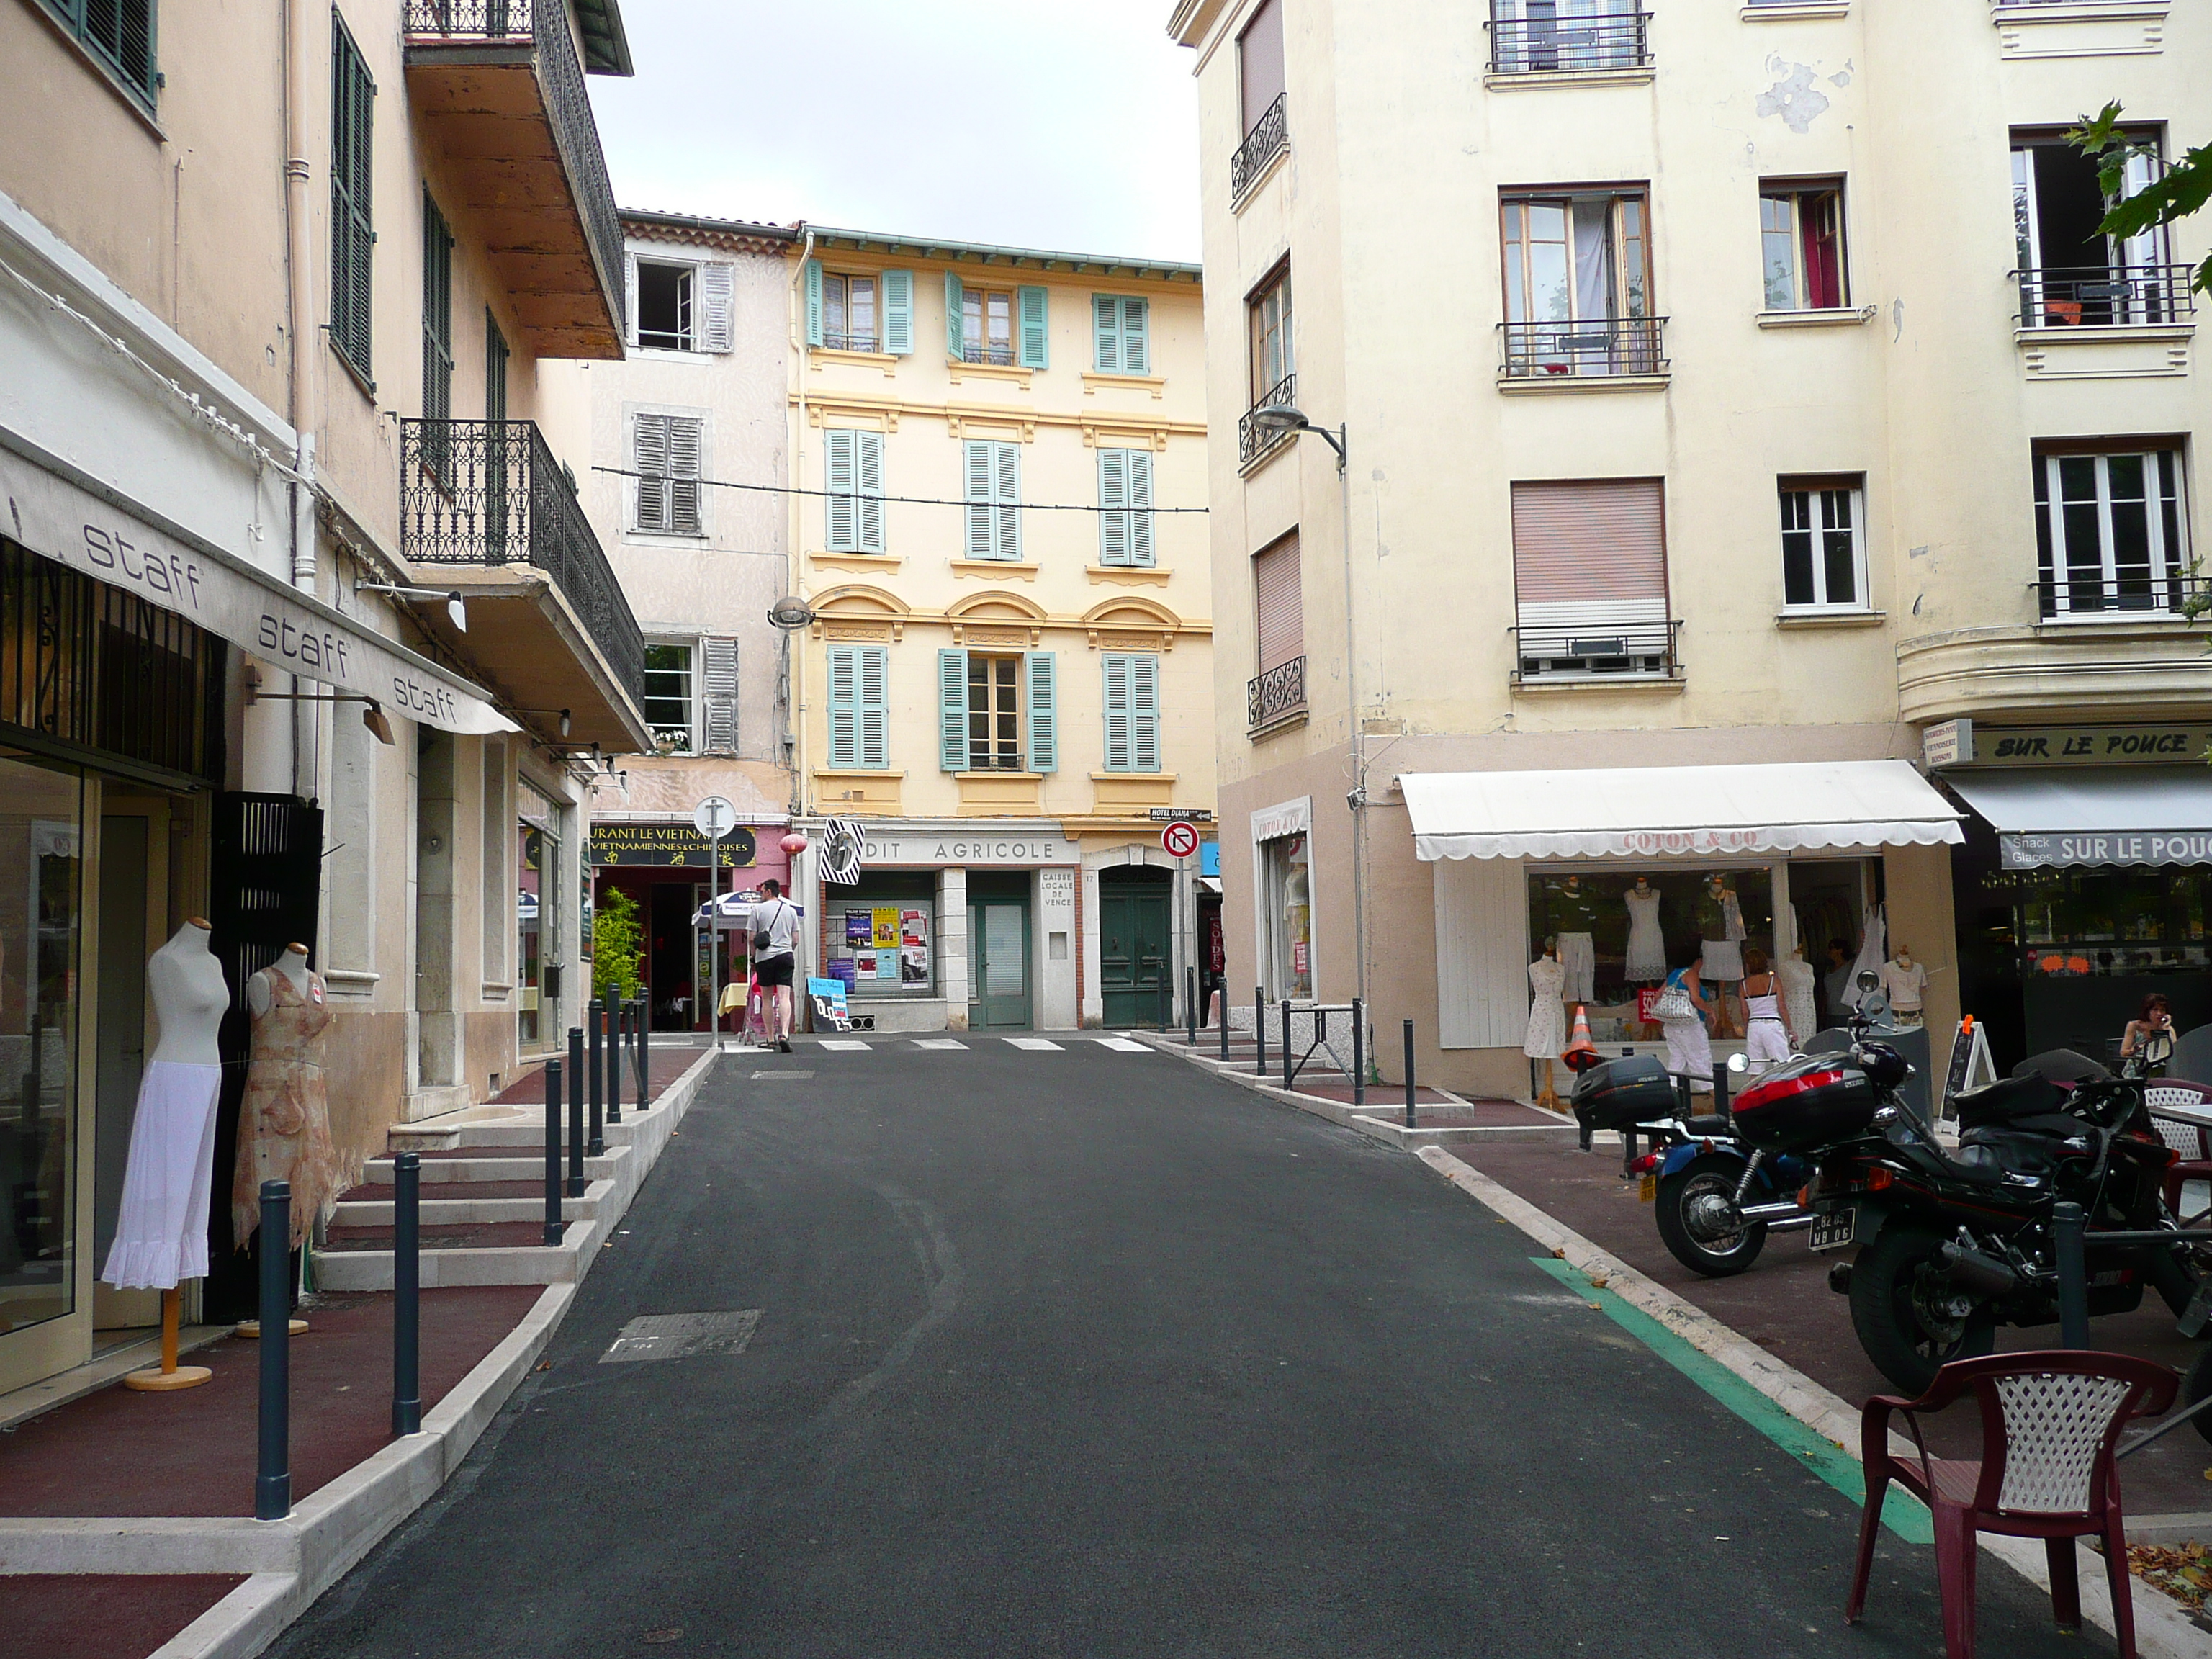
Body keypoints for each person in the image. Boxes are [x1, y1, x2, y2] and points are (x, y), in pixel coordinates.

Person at [750, 879, 800, 1053]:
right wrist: (787, 950)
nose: (761, 895)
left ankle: (770, 1037)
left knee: (767, 998)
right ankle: (784, 1034)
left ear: (769, 892)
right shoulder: (791, 910)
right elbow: (795, 939)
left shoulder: (757, 910)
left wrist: (753, 957)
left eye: (762, 891)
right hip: (786, 956)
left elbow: (752, 938)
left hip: (765, 958)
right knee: (785, 996)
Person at [1658, 952, 1714, 1094]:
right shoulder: (1691, 974)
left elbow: (1658, 995)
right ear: (1696, 961)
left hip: (1672, 1025)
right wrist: (1710, 1011)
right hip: (1689, 1025)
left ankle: (1670, 1097)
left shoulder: (1674, 975)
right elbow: (1695, 999)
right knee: (1700, 1059)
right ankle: (1715, 1097)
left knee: (1677, 1062)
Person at [1739, 947, 1794, 1071]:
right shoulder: (1774, 981)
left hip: (1754, 1025)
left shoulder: (1744, 985)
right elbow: (1782, 1007)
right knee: (1782, 1065)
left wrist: (1746, 1027)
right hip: (1772, 1024)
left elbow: (1744, 1011)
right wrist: (1791, 1029)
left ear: (1748, 965)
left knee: (1754, 1067)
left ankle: (1755, 1089)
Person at [2120, 992, 2175, 1061]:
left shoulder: (2168, 1028)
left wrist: (2165, 1029)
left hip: (2161, 1065)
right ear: (2147, 1011)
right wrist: (2136, 1048)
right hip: (2139, 1065)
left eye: (2162, 1010)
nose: (2159, 1013)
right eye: (2155, 1010)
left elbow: (2176, 1051)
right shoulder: (2134, 1026)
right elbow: (2124, 1053)